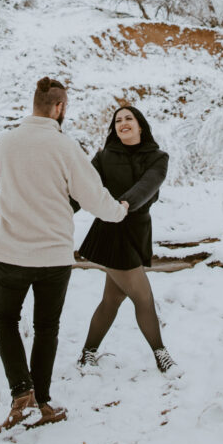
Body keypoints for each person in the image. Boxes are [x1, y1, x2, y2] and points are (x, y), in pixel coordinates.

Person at [0, 77, 128, 432]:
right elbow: (93, 196)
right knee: (47, 327)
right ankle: (42, 401)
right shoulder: (66, 148)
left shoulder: (4, 143)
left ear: (34, 103)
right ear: (59, 108)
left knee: (5, 321)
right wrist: (120, 210)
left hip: (11, 251)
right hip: (53, 256)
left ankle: (22, 395)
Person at [77, 104, 177, 374]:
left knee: (112, 299)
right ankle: (161, 353)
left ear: (140, 125)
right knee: (143, 297)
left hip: (137, 229)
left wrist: (125, 204)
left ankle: (87, 353)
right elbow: (82, 188)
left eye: (128, 118)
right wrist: (58, 210)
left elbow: (148, 185)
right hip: (111, 231)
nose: (123, 122)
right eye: (118, 120)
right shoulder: (104, 157)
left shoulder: (158, 158)